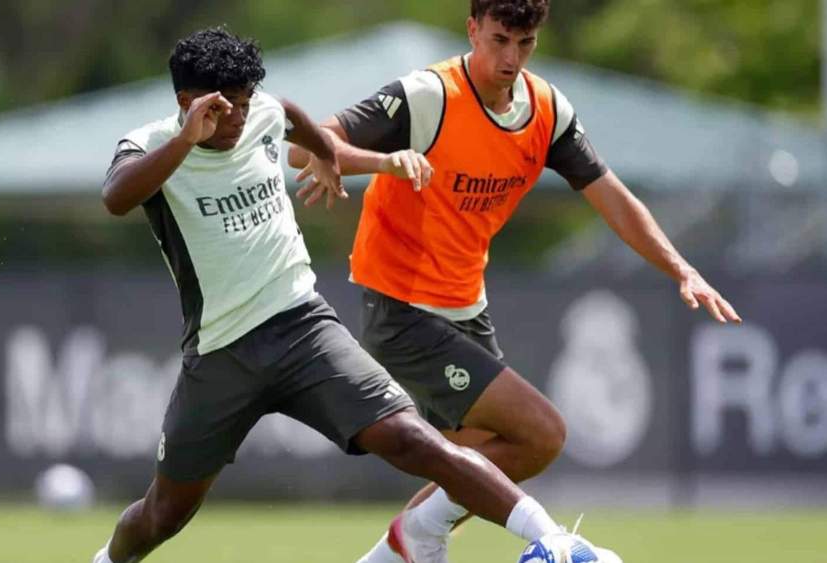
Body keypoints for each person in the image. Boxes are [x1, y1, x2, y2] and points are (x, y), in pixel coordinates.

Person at [92, 26, 620, 563]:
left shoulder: (263, 114)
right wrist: (186, 139)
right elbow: (115, 198)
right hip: (221, 352)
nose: (240, 119)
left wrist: (325, 152)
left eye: (247, 104)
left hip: (303, 327)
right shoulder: (151, 146)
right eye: (226, 108)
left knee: (415, 440)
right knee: (164, 515)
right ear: (187, 102)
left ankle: (553, 540)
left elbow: (292, 116)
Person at [288, 1, 741, 562]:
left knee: (481, 465)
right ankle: (522, 541)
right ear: (472, 29)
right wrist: (379, 162)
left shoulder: (547, 111)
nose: (510, 58)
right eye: (499, 40)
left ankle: (397, 551)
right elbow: (307, 144)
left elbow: (613, 198)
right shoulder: (428, 96)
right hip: (401, 307)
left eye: (524, 44)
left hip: (465, 307)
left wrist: (682, 268)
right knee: (541, 433)